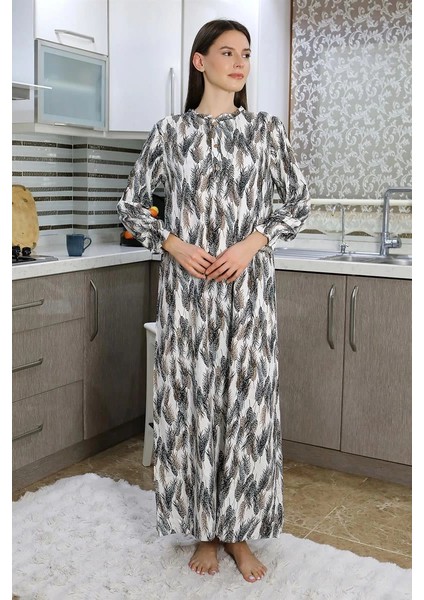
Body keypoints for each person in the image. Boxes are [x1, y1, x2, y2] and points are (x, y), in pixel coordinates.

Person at [117, 18, 310, 583]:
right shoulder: (170, 133)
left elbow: (297, 202)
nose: (240, 62)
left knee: (246, 405)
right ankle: (204, 530)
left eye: (246, 53)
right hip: (189, 292)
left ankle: (239, 533)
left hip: (248, 291)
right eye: (228, 52)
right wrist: (173, 243)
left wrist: (252, 244)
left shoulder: (266, 132)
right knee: (195, 402)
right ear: (199, 61)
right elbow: (131, 206)